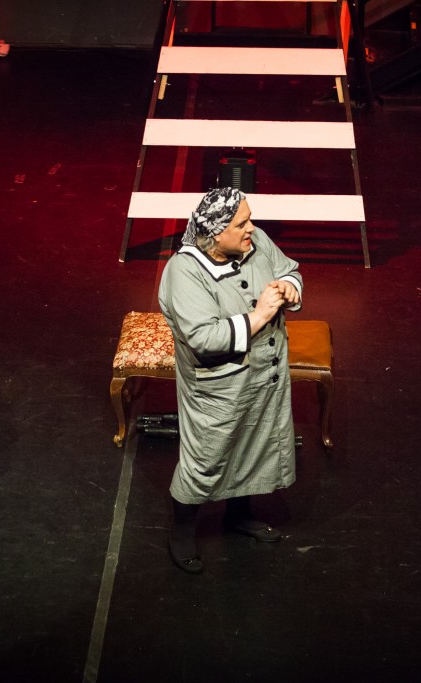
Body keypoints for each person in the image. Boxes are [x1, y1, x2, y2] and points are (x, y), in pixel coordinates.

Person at [157, 188, 303, 574]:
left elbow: (289, 268)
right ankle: (183, 530)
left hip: (264, 378)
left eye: (250, 218)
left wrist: (289, 288)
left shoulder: (255, 242)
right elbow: (204, 338)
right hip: (220, 389)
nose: (251, 228)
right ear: (216, 232)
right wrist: (258, 316)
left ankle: (238, 514)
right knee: (208, 457)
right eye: (241, 223)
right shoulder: (184, 272)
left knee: (254, 445)